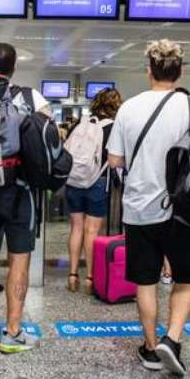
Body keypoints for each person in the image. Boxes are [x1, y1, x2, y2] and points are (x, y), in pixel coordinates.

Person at [107, 39, 190, 377]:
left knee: (146, 281)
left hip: (140, 207)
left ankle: (151, 347)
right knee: (186, 278)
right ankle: (174, 338)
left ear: (148, 70)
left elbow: (114, 159)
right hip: (185, 209)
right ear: (180, 71)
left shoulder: (129, 108)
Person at [0, 42, 49, 354]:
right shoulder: (30, 98)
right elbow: (51, 139)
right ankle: (12, 332)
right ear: (14, 68)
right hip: (20, 191)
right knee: (19, 260)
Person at [64, 87, 123, 294]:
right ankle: (90, 277)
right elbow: (116, 160)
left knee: (76, 228)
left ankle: (72, 275)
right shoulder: (114, 128)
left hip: (73, 181)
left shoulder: (80, 124)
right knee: (92, 230)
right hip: (98, 182)